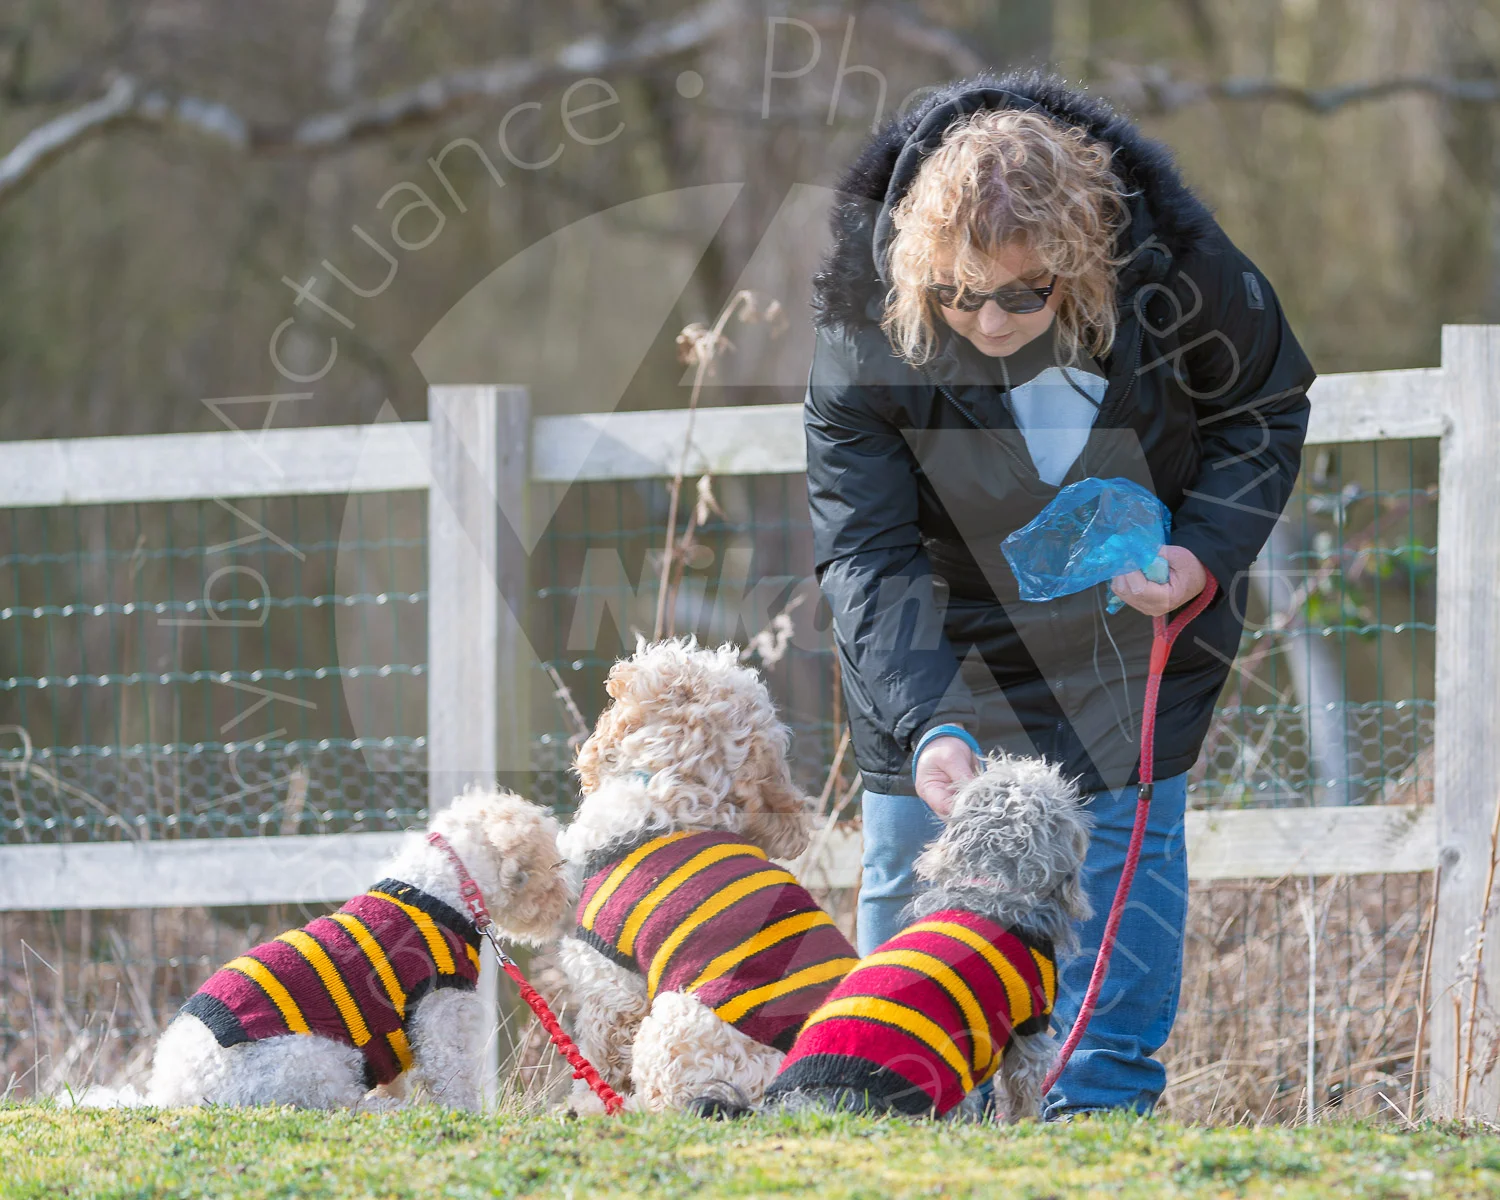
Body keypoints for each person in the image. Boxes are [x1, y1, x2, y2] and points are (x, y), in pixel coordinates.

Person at [804, 71, 1316, 1118]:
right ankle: (885, 1116)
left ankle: (1096, 1123)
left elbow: (1265, 404)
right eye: (959, 294)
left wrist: (1204, 554)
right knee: (911, 863)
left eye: (1024, 293)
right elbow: (865, 549)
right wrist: (930, 720)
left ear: (1082, 260)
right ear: (918, 267)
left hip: (1130, 627)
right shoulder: (861, 333)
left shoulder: (1184, 275)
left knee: (1123, 872)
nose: (990, 319)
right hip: (935, 635)